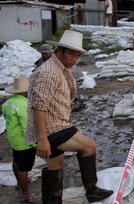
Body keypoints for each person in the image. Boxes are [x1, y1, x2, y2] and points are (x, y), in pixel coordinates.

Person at [25, 30, 113, 203]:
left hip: (57, 122)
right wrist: (43, 139)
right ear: (59, 51)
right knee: (89, 146)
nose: (74, 59)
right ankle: (92, 190)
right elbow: (39, 106)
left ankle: (52, 201)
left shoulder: (61, 69)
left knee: (55, 165)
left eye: (77, 55)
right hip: (51, 127)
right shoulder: (48, 72)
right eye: (71, 53)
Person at [2, 76, 37, 203]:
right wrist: (34, 143)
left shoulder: (8, 103)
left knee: (16, 161)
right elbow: (26, 126)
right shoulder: (23, 104)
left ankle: (19, 183)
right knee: (25, 167)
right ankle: (25, 194)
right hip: (24, 142)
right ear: (25, 91)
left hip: (14, 139)